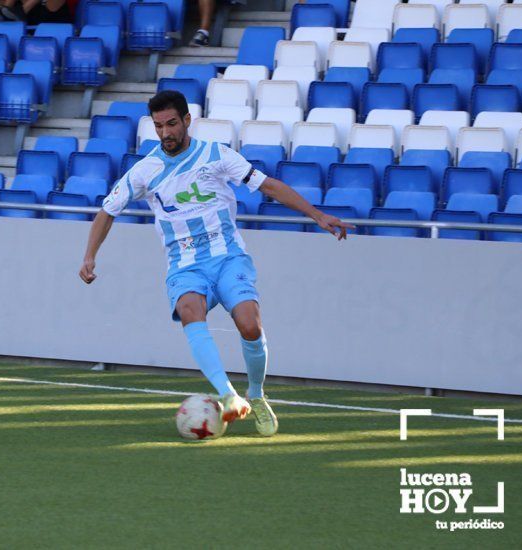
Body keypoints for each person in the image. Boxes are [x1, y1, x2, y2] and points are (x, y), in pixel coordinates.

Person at [78, 90, 354, 437]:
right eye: (159, 126)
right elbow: (107, 211)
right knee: (191, 310)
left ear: (187, 120)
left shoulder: (216, 155)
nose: (166, 133)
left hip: (227, 256)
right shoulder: (144, 171)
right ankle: (228, 395)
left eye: (172, 124)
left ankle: (257, 394)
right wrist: (90, 256)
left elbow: (268, 186)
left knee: (250, 325)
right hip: (185, 263)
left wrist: (317, 215)